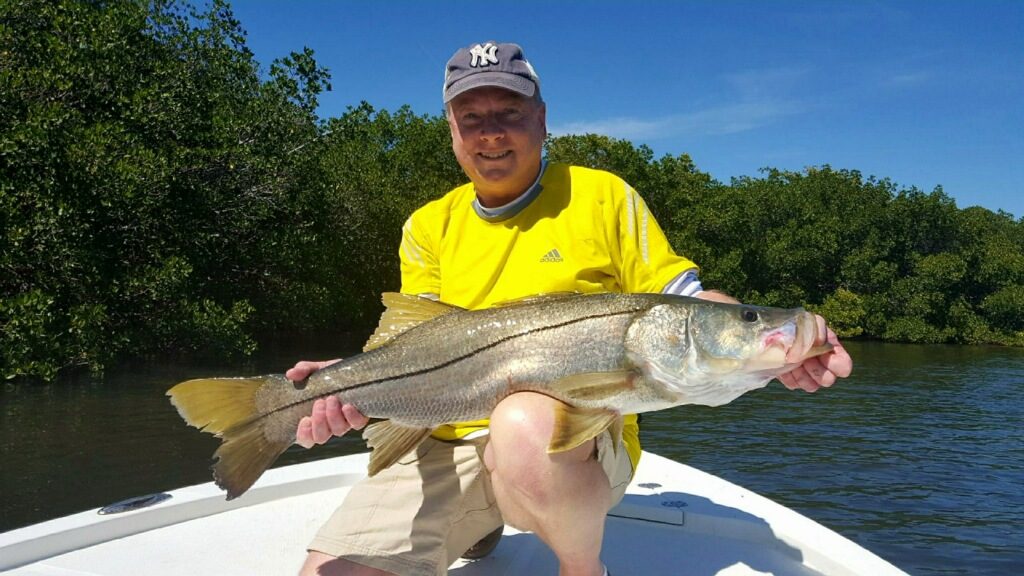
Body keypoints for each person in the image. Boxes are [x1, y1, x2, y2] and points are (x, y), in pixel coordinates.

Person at [289, 41, 852, 576]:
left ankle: (581, 566)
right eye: (471, 117)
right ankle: (478, 523)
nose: (490, 134)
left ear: (541, 118)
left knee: (522, 423)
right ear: (452, 130)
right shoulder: (425, 226)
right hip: (443, 437)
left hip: (574, 443)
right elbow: (417, 346)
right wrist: (344, 388)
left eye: (508, 111)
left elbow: (686, 299)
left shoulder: (604, 196)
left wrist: (770, 339)